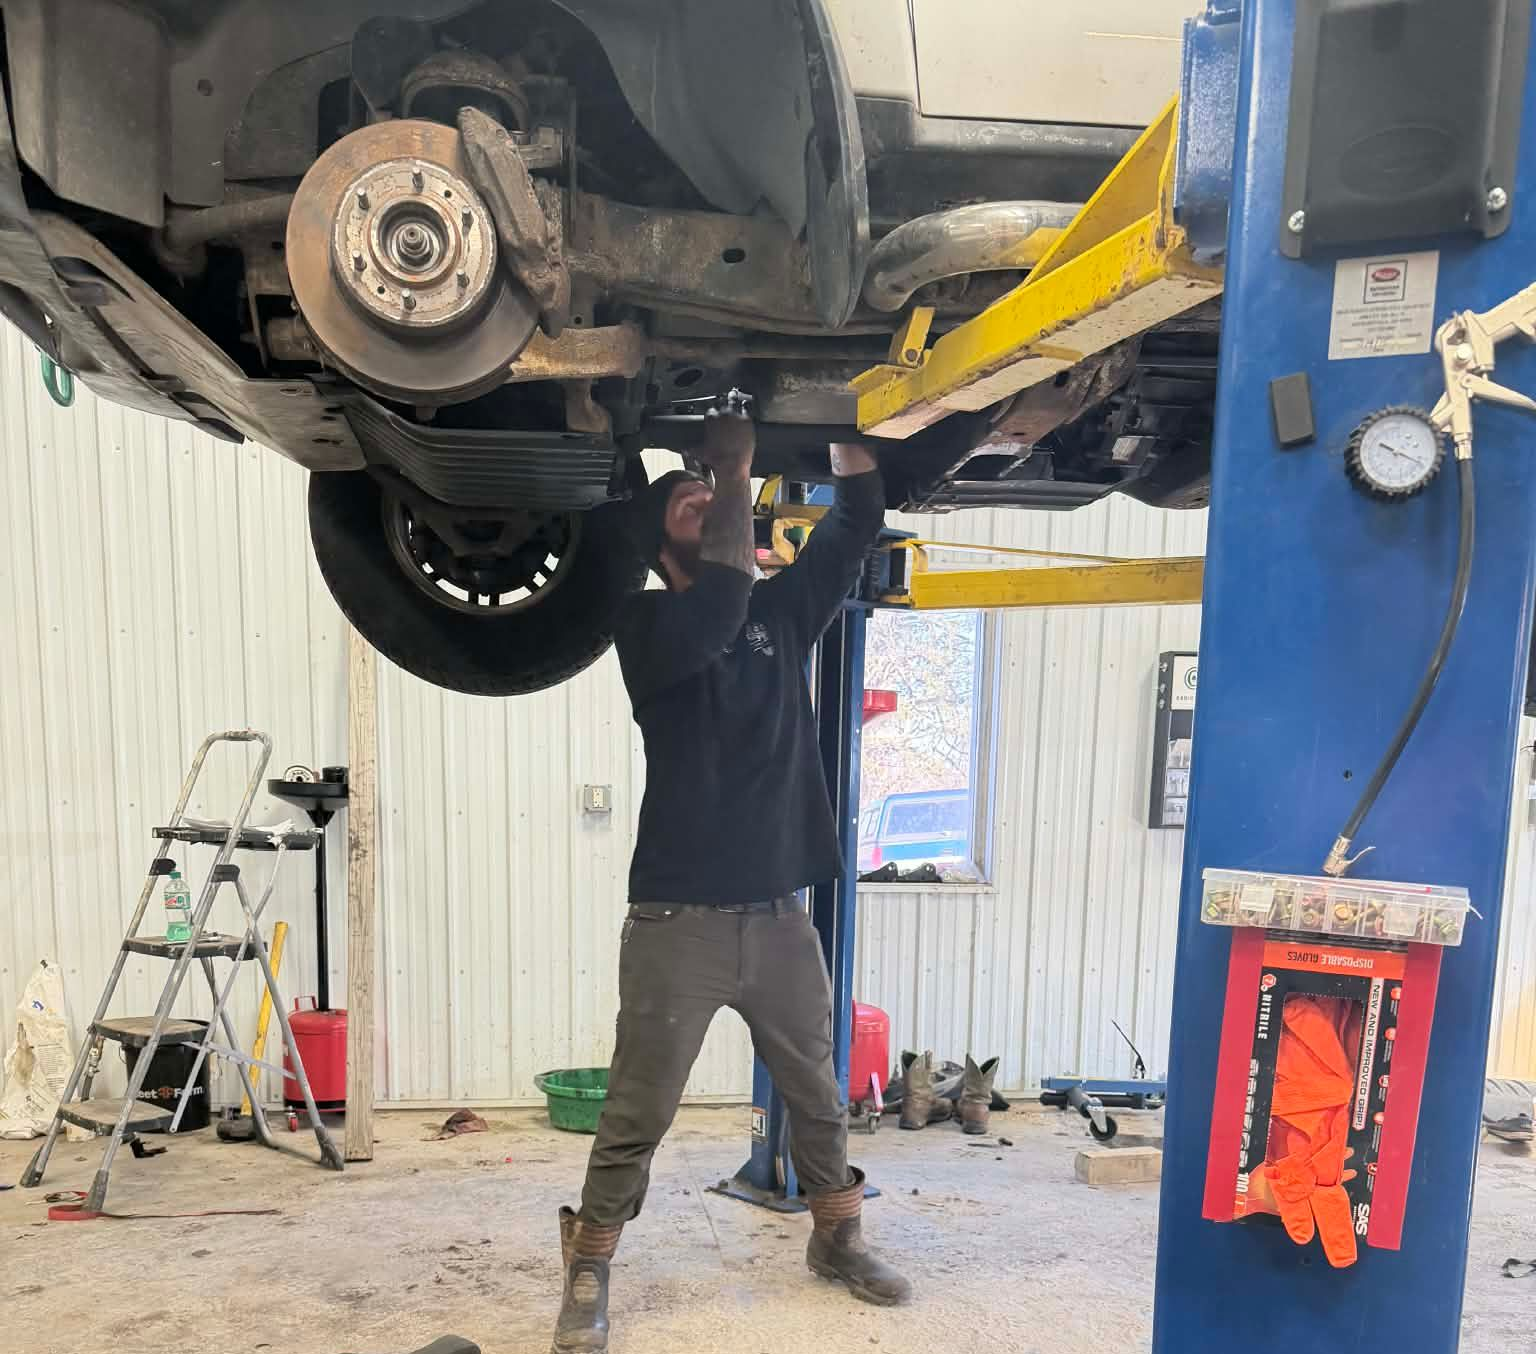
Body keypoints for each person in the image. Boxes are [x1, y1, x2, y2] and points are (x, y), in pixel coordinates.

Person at [551, 394, 911, 1353]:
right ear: (661, 541)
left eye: (712, 488)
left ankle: (837, 1238)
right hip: (678, 924)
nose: (708, 495)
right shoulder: (646, 625)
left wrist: (847, 436)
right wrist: (735, 464)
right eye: (688, 498)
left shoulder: (781, 616)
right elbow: (716, 603)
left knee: (818, 1093)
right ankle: (590, 1262)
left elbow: (855, 528)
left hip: (780, 918)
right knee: (639, 1109)